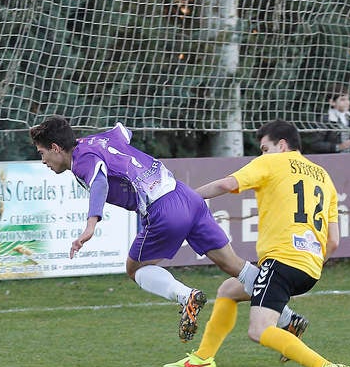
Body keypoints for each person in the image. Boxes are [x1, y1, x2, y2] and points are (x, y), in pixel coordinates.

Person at [29, 115, 262, 343]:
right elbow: (124, 132)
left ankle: (186, 296)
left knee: (135, 269)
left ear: (56, 147)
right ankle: (286, 317)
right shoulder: (98, 140)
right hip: (186, 196)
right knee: (233, 264)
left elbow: (99, 182)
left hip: (163, 209)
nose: (43, 161)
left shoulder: (82, 161)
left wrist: (90, 226)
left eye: (42, 153)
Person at [164, 120, 350, 367]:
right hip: (310, 267)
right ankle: (203, 357)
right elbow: (334, 241)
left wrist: (186, 199)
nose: (262, 154)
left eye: (264, 148)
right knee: (229, 290)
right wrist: (312, 265)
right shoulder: (323, 176)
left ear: (281, 145)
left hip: (281, 262)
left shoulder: (273, 162)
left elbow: (227, 185)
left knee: (259, 330)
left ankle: (325, 365)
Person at [307, 86, 350, 154]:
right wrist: (338, 147)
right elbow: (315, 144)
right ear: (332, 102)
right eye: (342, 100)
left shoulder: (349, 118)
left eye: (348, 99)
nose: (347, 102)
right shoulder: (325, 119)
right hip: (331, 159)